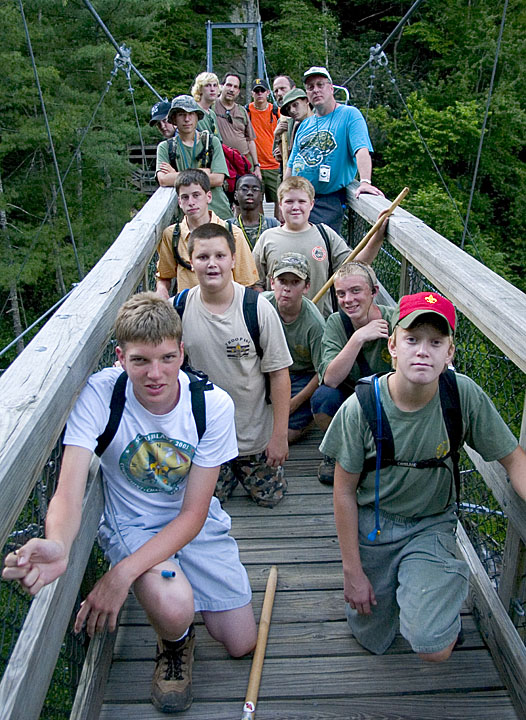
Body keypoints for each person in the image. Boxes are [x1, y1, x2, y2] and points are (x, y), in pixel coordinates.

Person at [2, 292, 257, 713]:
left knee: (240, 641)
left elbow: (194, 513)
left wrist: (119, 576)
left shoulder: (210, 406)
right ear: (120, 357)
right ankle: (174, 642)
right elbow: (68, 490)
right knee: (176, 607)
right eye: (140, 361)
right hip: (133, 522)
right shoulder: (102, 396)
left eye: (167, 358)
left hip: (192, 522)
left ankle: (166, 597)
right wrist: (60, 544)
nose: (155, 374)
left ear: (181, 352)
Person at [320, 291, 526, 663]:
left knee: (433, 645)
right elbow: (344, 493)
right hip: (375, 526)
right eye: (412, 340)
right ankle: (412, 592)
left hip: (432, 523)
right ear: (393, 346)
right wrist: (352, 571)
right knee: (371, 636)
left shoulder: (461, 395)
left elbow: (514, 461)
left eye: (436, 342)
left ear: (450, 353)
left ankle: (436, 588)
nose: (423, 351)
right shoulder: (361, 408)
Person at [179, 223, 292, 507]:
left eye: (220, 256)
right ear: (191, 262)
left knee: (271, 498)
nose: (212, 264)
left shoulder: (257, 308)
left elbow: (279, 375)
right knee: (211, 502)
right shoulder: (178, 309)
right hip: (205, 439)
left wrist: (279, 436)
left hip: (253, 436)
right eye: (203, 257)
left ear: (233, 259)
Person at [252, 176, 386, 319]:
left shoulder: (325, 235)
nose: (295, 207)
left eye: (302, 201)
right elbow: (255, 282)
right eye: (289, 201)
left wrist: (377, 238)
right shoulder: (267, 238)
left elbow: (356, 265)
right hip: (277, 322)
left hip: (319, 321)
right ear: (280, 205)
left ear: (311, 204)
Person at [312, 259, 395, 484]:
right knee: (322, 399)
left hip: (386, 396)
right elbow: (329, 379)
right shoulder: (336, 324)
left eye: (356, 291)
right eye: (341, 294)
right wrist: (358, 337)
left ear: (374, 292)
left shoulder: (395, 320)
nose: (348, 300)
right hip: (350, 394)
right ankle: (336, 453)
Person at [286, 66, 384, 233]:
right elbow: (292, 164)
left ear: (331, 88)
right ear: (307, 95)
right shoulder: (304, 125)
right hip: (298, 201)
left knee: (321, 253)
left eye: (320, 85)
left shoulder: (350, 115)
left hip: (326, 202)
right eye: (310, 87)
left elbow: (361, 149)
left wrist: (366, 181)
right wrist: (284, 197)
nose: (315, 90)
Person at [156, 169, 258, 298]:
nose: (191, 202)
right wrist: (161, 290)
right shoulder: (172, 235)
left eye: (196, 195)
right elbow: (164, 276)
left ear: (208, 197)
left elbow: (246, 283)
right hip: (189, 309)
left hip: (226, 307)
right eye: (185, 197)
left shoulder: (233, 234)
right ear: (179, 202)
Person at [263, 252, 325, 443]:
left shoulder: (315, 324)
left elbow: (321, 372)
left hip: (301, 375)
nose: (287, 289)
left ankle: (304, 421)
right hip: (266, 370)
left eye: (295, 282)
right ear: (272, 282)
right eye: (282, 281)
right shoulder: (261, 307)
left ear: (306, 287)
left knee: (285, 434)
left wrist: (293, 403)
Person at [155, 94, 232, 220]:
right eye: (181, 114)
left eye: (191, 114)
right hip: (188, 218)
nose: (187, 119)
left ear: (197, 117)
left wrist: (177, 175)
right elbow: (163, 180)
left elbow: (218, 179)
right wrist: (203, 173)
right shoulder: (165, 148)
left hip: (218, 213)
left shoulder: (212, 142)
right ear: (174, 119)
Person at [214, 73, 262, 180]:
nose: (231, 89)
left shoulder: (242, 111)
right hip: (221, 163)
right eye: (229, 85)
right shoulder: (212, 107)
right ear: (221, 86)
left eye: (235, 87)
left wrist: (256, 166)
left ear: (238, 91)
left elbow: (250, 140)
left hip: (243, 162)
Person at [247, 78, 281, 217]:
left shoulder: (276, 111)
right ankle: (260, 232)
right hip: (254, 166)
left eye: (262, 90)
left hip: (274, 165)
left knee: (280, 201)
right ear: (252, 93)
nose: (259, 94)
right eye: (256, 91)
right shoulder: (246, 112)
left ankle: (279, 229)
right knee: (255, 201)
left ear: (268, 92)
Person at [228, 173, 280, 250]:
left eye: (255, 189)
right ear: (236, 195)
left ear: (261, 196)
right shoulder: (228, 227)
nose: (250, 193)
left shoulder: (273, 226)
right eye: (244, 189)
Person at [274, 87, 313, 164]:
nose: (292, 110)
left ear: (307, 101)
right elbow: (289, 161)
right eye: (288, 108)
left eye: (295, 105)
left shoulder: (320, 123)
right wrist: (278, 137)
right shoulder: (297, 128)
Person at [191, 71, 222, 139]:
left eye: (215, 85)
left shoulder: (212, 114)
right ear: (200, 89)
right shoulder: (193, 110)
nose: (212, 89)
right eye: (207, 85)